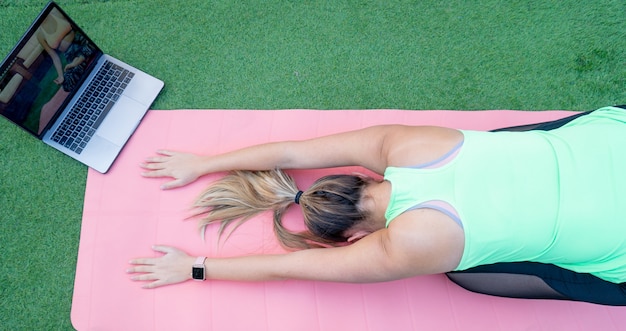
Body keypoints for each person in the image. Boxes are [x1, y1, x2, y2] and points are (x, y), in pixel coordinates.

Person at [127, 106, 626, 306]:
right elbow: (293, 153)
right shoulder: (402, 145)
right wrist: (203, 162)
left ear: (354, 238)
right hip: (614, 132)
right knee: (503, 146)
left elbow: (291, 268)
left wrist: (195, 267)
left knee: (466, 272)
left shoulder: (409, 246)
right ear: (358, 175)